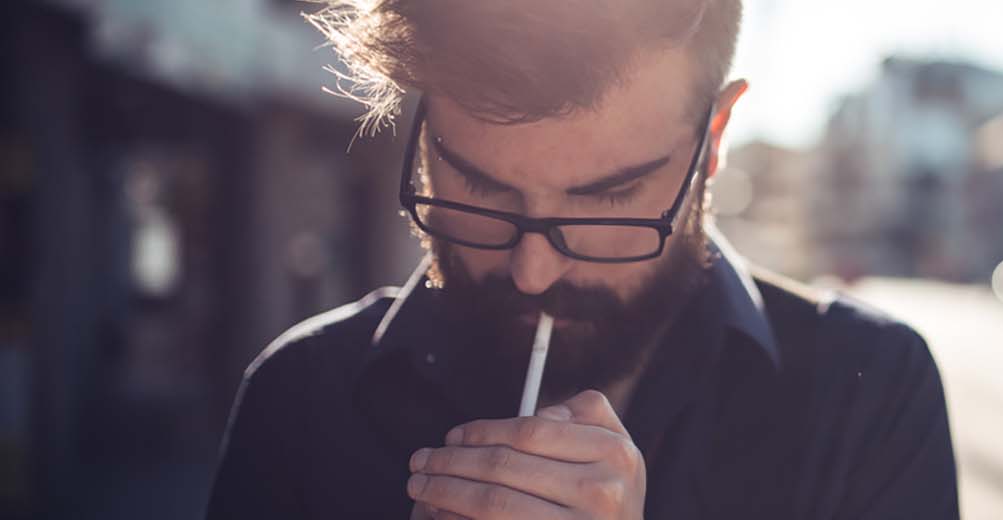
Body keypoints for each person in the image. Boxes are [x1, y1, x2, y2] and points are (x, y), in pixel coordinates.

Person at [205, 0, 959, 518]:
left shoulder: (866, 399)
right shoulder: (301, 399)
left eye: (607, 197)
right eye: (479, 184)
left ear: (716, 138)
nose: (533, 271)